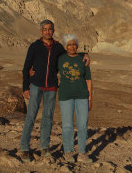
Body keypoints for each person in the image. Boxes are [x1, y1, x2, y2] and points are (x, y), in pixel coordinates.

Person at [19, 20, 90, 162]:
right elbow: (26, 67)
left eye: (50, 29)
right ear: (41, 31)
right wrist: (25, 87)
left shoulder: (58, 48)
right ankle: (25, 148)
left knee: (48, 117)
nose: (47, 31)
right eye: (44, 29)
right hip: (35, 85)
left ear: (53, 30)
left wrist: (85, 54)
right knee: (31, 116)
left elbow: (71, 52)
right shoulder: (34, 46)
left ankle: (44, 148)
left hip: (51, 87)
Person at [58, 34, 93, 163]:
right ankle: (68, 152)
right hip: (65, 96)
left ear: (77, 46)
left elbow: (88, 79)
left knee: (82, 125)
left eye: (74, 44)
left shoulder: (83, 59)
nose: (72, 46)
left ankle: (82, 153)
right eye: (69, 44)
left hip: (82, 96)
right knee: (67, 125)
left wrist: (89, 98)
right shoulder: (60, 58)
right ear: (65, 47)